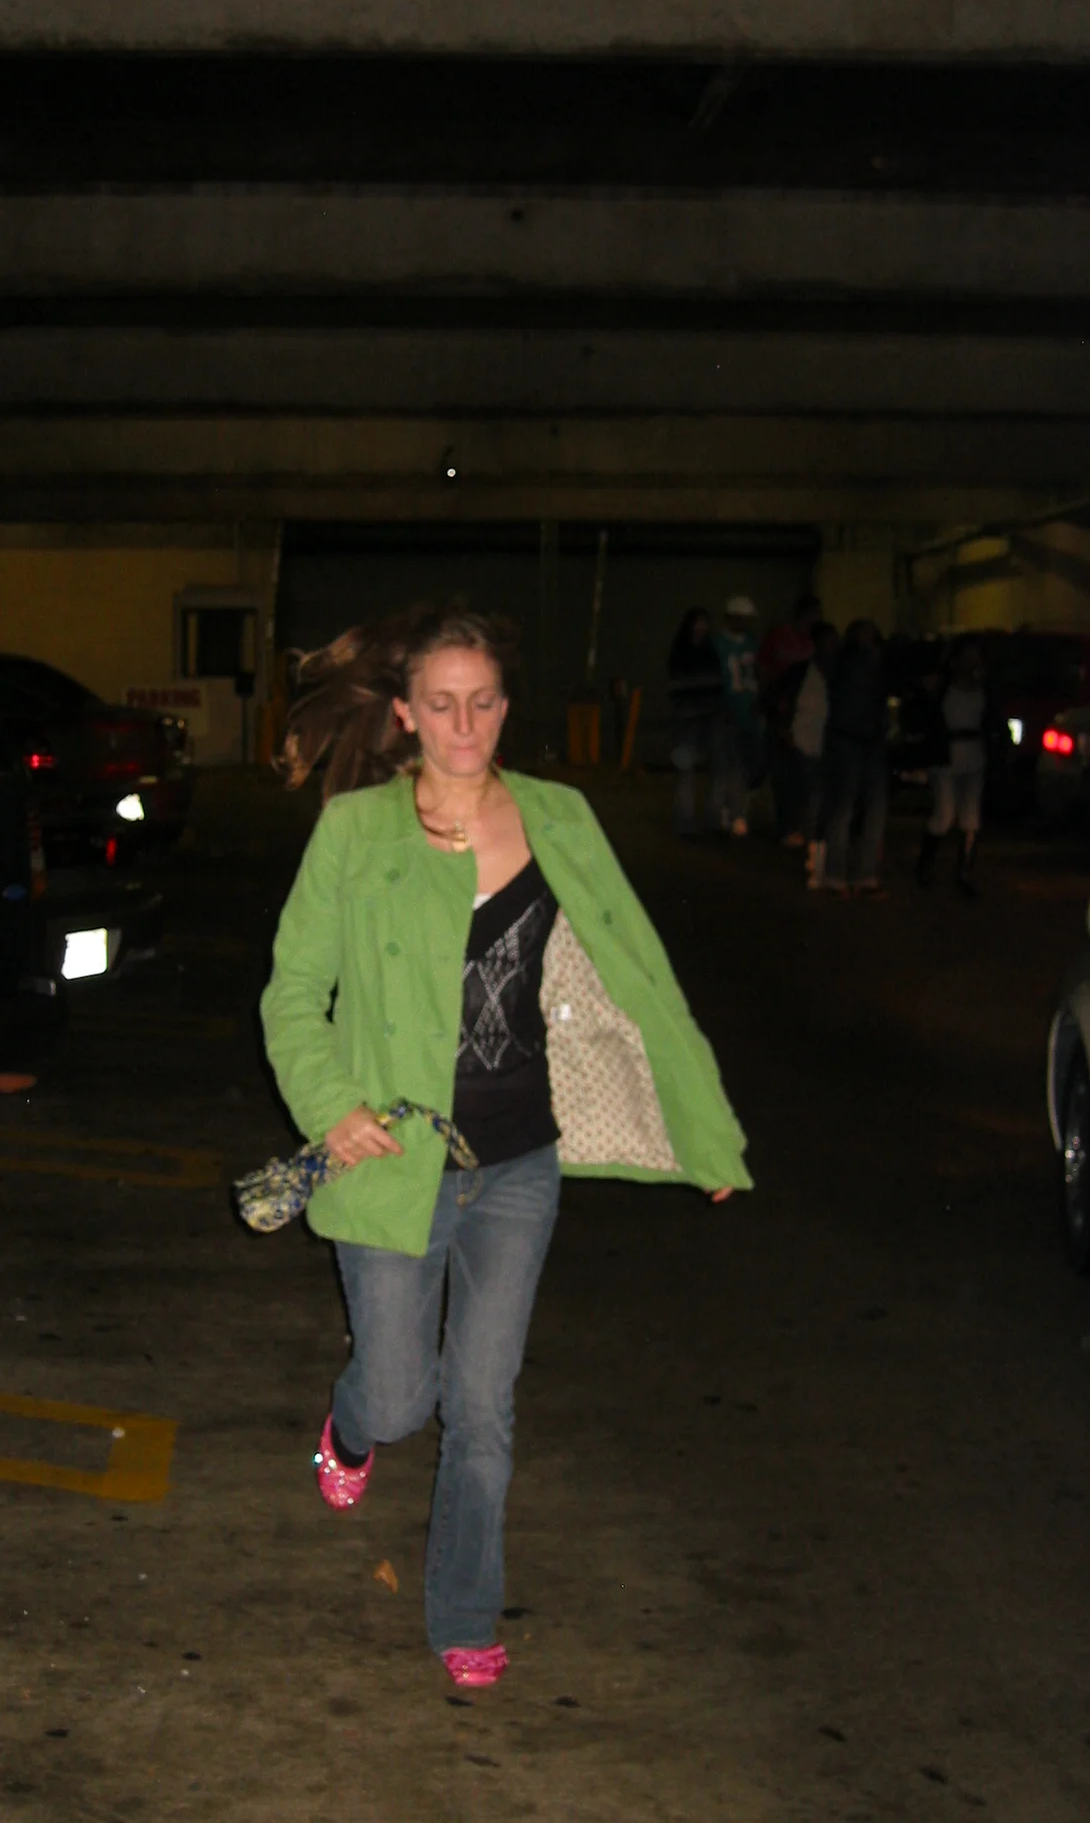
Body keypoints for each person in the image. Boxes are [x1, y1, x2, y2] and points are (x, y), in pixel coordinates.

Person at [259, 604, 752, 1691]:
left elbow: (643, 974)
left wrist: (707, 1134)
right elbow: (292, 993)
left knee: (483, 1409)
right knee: (401, 1397)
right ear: (404, 713)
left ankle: (465, 1613)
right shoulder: (357, 832)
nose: (463, 724)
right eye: (441, 704)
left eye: (482, 702)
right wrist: (331, 1105)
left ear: (505, 706)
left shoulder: (558, 817)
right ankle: (352, 1426)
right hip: (391, 1161)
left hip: (519, 1163)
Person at [820, 619, 890, 897]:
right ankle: (838, 873)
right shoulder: (847, 663)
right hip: (850, 739)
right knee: (846, 806)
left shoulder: (874, 663)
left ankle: (862, 873)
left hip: (867, 740)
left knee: (870, 807)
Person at [915, 636, 988, 897]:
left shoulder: (983, 688)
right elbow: (922, 714)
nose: (971, 662)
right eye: (966, 657)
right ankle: (925, 866)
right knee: (944, 814)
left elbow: (990, 720)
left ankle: (964, 873)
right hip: (946, 756)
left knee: (970, 817)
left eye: (975, 657)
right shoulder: (942, 687)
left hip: (974, 755)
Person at [759, 595, 822, 848]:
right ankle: (786, 826)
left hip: (806, 717)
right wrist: (772, 706)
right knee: (783, 773)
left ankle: (802, 826)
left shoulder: (815, 642)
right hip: (782, 710)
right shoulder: (779, 637)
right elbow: (764, 670)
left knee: (804, 775)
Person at [780, 620, 839, 887]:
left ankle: (819, 851)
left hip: (831, 745)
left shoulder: (839, 674)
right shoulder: (801, 673)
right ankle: (815, 855)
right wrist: (786, 731)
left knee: (826, 798)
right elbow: (780, 700)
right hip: (804, 742)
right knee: (814, 795)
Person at [666, 606, 724, 838]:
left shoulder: (711, 652)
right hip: (687, 719)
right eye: (697, 622)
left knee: (718, 769)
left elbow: (718, 683)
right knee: (685, 772)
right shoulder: (680, 652)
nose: (701, 627)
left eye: (704, 622)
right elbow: (676, 686)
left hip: (711, 717)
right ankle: (685, 823)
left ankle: (714, 820)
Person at [712, 596, 763, 836]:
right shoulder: (717, 644)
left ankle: (738, 810)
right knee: (729, 766)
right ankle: (730, 812)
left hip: (750, 712)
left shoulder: (753, 643)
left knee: (750, 765)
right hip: (726, 712)